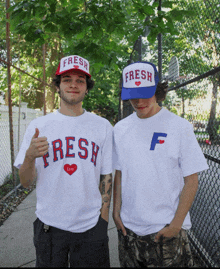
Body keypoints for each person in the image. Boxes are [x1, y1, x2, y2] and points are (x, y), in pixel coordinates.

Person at [14, 55, 113, 267]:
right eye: (67, 79)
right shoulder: (39, 126)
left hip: (91, 226)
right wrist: (30, 157)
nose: (74, 85)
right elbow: (25, 182)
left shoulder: (102, 126)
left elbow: (107, 175)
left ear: (87, 87)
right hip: (49, 226)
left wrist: (103, 220)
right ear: (57, 86)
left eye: (80, 80)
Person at [113, 61, 209, 267]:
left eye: (145, 93)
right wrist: (116, 210)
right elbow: (120, 172)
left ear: (157, 90)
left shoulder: (179, 127)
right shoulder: (120, 129)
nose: (139, 101)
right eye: (133, 96)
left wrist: (176, 225)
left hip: (166, 230)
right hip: (129, 229)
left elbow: (192, 180)